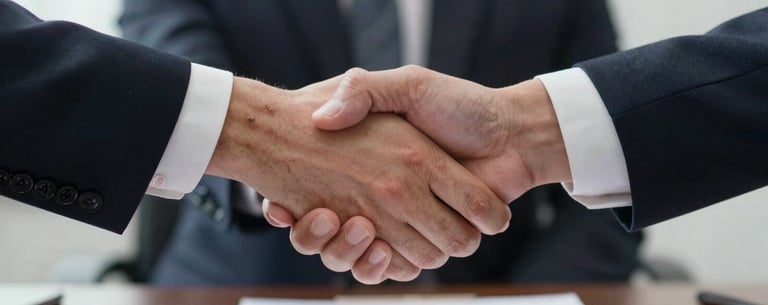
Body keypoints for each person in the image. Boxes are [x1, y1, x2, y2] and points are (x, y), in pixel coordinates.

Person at [120, 0, 641, 285]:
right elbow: (166, 89)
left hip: (490, 284)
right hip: (240, 282)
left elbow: (602, 139)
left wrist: (538, 296)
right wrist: (283, 170)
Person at [0, 0, 514, 281]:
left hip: (506, 282)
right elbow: (163, 55)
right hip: (236, 278)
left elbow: (585, 141)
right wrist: (272, 155)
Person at [274, 6, 768, 284]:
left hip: (503, 280)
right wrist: (282, 174)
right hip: (249, 276)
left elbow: (603, 172)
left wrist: (530, 298)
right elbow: (203, 113)